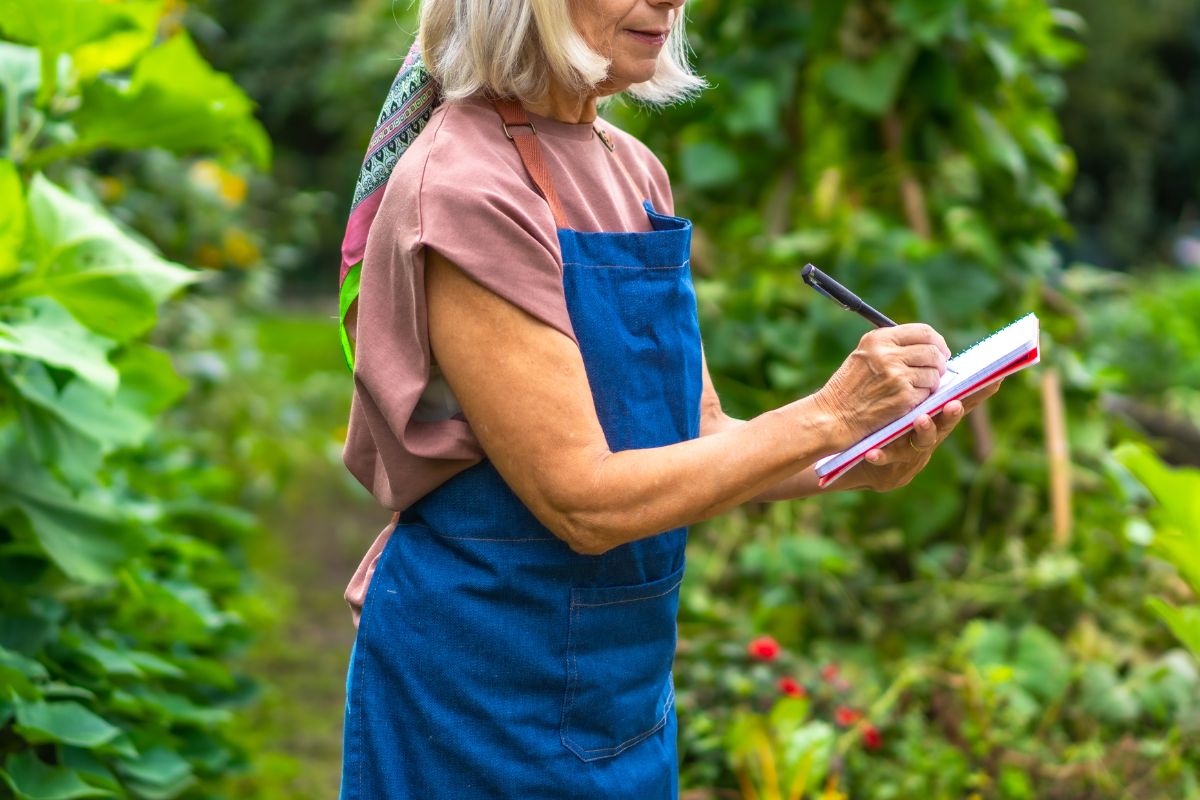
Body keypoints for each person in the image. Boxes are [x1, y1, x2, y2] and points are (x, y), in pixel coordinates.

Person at [336, 0, 998, 797]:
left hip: (618, 684)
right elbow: (582, 501)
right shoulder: (467, 186)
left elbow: (701, 431)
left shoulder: (629, 165)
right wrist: (826, 415)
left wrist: (852, 456)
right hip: (482, 684)